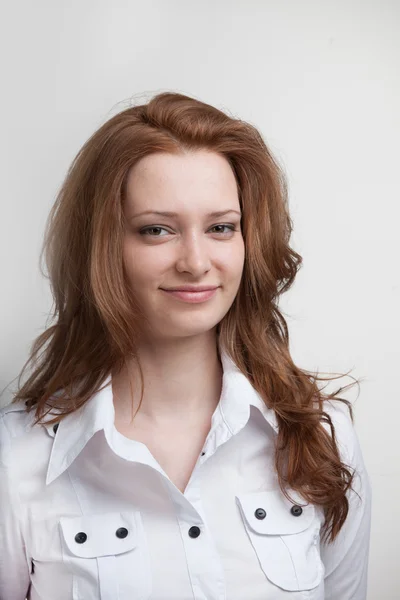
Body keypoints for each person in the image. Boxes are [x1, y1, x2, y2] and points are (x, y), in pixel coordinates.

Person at [0, 92, 371, 600]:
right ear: (102, 246)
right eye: (157, 230)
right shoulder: (15, 460)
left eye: (221, 228)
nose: (196, 262)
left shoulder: (320, 437)